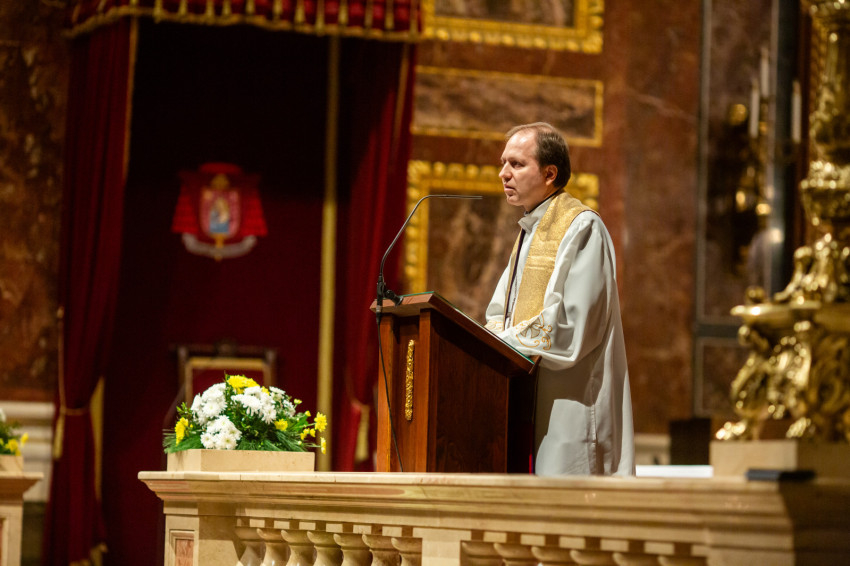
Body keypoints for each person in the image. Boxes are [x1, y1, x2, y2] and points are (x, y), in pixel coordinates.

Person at [484, 122, 635, 476]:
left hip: (571, 410)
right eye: (503, 163)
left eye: (517, 164)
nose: (503, 173)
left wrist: (501, 342)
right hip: (527, 402)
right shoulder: (529, 232)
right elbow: (499, 313)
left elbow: (572, 327)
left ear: (549, 173)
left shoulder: (582, 228)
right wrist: (490, 337)